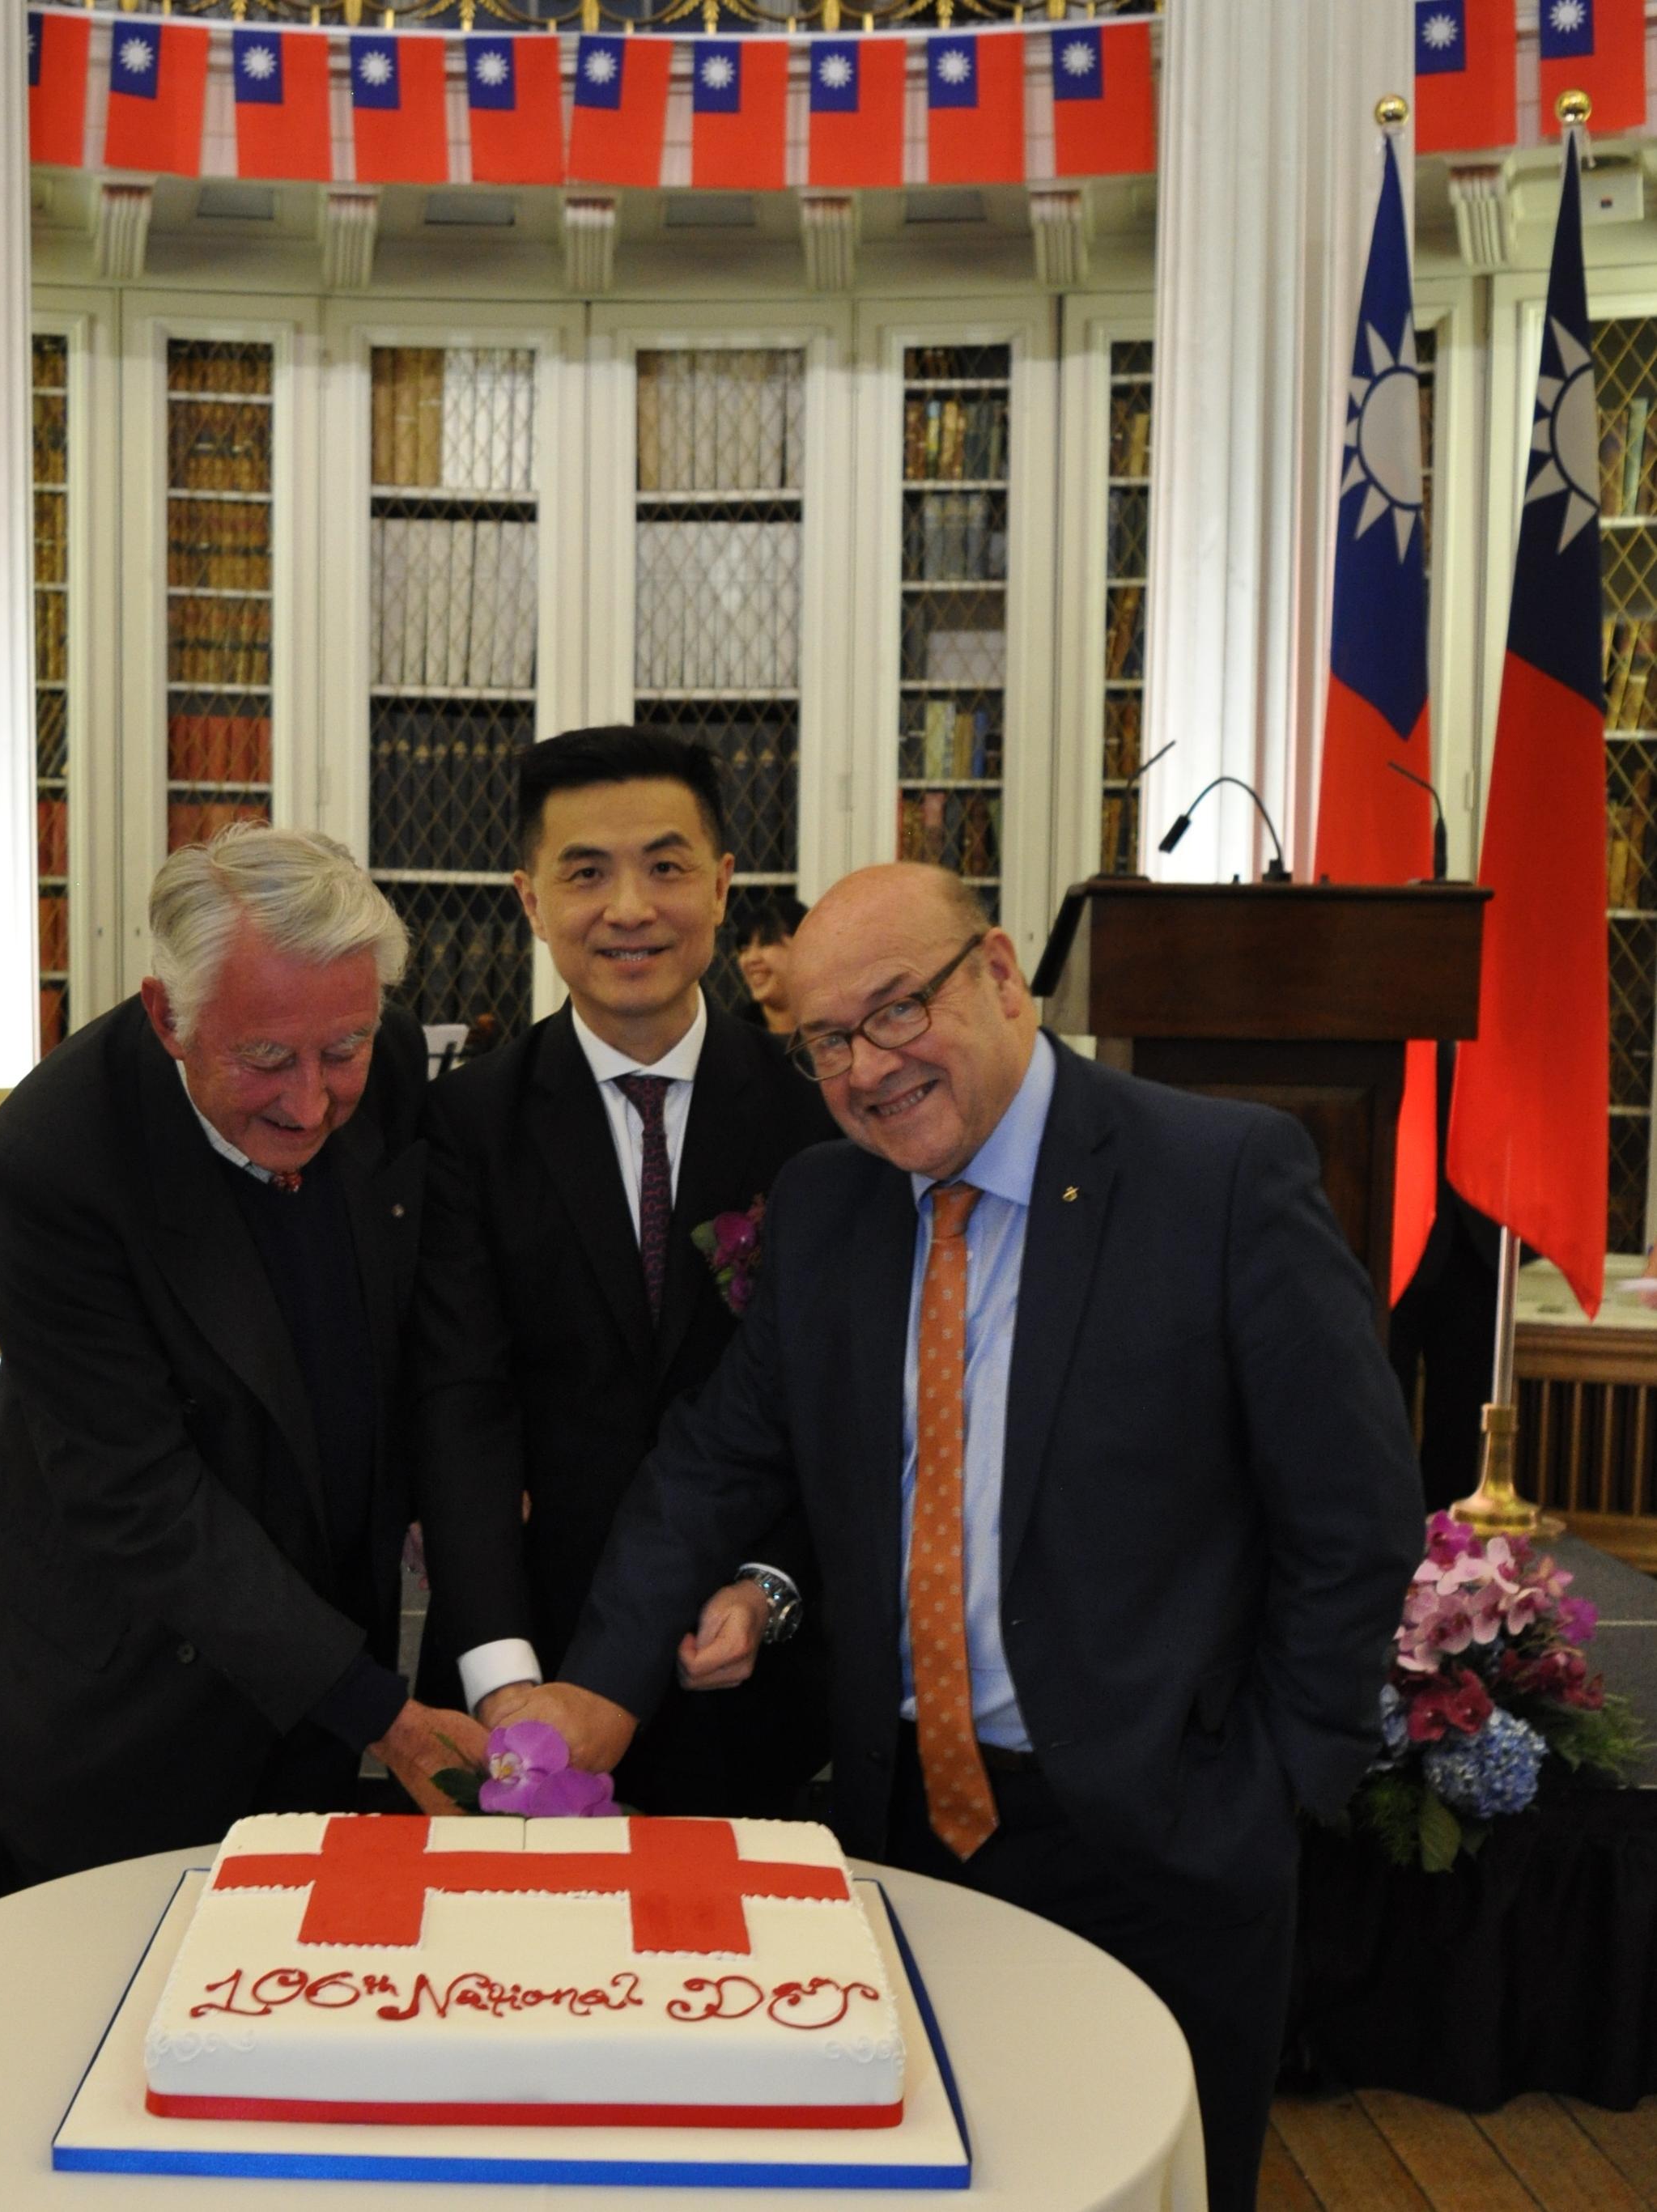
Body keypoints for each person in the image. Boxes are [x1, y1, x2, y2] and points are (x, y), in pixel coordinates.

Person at [509, 862, 1425, 2212]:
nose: (869, 1066)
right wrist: (600, 1683)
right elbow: (713, 1461)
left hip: (1164, 1840)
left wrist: (1280, 1782)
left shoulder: (1217, 1173)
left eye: (896, 1009)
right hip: (904, 1837)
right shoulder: (829, 1207)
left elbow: (1353, 1513)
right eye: (827, 1040)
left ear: (999, 973)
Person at [0, 822, 485, 1879]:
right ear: (168, 1016)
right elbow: (136, 1493)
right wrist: (380, 1711)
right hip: (125, 1704)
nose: (313, 1101)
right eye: (266, 1059)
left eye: (343, 1051)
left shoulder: (371, 1057)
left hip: (322, 1666)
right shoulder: (52, 1163)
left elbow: (411, 1321)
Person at [410, 727, 837, 1816]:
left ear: (725, 884)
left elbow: (836, 1397)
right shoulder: (465, 1122)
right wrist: (507, 1689)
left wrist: (769, 1586)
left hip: (739, 1661)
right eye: (586, 872)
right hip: (524, 1660)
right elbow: (461, 1403)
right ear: (529, 898)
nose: (631, 908)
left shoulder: (815, 1122)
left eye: (666, 864)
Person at [733, 892, 808, 1035]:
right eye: (744, 949)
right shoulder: (731, 1037)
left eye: (765, 943)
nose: (751, 959)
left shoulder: (836, 1026)